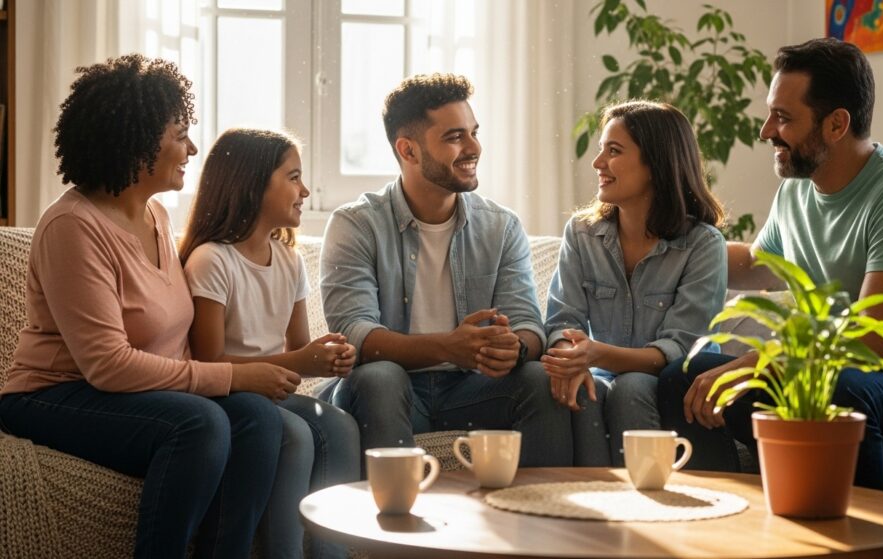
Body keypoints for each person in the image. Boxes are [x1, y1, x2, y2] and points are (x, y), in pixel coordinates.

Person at [0, 55, 296, 558]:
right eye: (180, 134)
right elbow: (107, 366)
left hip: (129, 393)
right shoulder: (72, 226)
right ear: (136, 141)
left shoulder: (156, 215)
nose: (193, 148)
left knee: (259, 419)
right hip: (54, 394)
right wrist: (233, 377)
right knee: (199, 423)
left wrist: (238, 382)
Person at [657, 38, 883, 488]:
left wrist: (754, 362)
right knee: (682, 376)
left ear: (836, 124)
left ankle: (851, 545)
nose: (766, 130)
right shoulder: (798, 188)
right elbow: (756, 264)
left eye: (783, 117)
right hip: (829, 374)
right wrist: (662, 240)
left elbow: (873, 346)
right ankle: (728, 521)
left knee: (840, 389)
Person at [317, 73, 572, 467]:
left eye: (474, 132)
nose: (474, 148)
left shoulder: (500, 226)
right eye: (455, 137)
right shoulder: (356, 224)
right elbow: (356, 335)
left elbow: (529, 325)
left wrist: (515, 349)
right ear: (409, 150)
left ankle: (543, 518)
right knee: (379, 377)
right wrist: (447, 346)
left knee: (538, 379)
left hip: (473, 391)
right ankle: (391, 522)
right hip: (392, 390)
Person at [179, 128, 361, 559]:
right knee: (296, 434)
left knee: (341, 426)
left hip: (274, 395)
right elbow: (209, 363)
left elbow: (299, 348)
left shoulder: (289, 260)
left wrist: (328, 356)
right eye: (293, 177)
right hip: (229, 397)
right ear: (254, 183)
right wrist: (303, 358)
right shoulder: (212, 261)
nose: (305, 190)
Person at [542, 101, 727, 466]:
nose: (597, 164)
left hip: (675, 384)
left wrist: (595, 353)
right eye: (601, 150)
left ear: (656, 163)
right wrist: (571, 355)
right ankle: (595, 506)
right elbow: (564, 320)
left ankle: (649, 508)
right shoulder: (582, 234)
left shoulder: (703, 245)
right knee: (582, 388)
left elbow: (680, 352)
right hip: (601, 372)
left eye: (614, 151)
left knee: (631, 386)